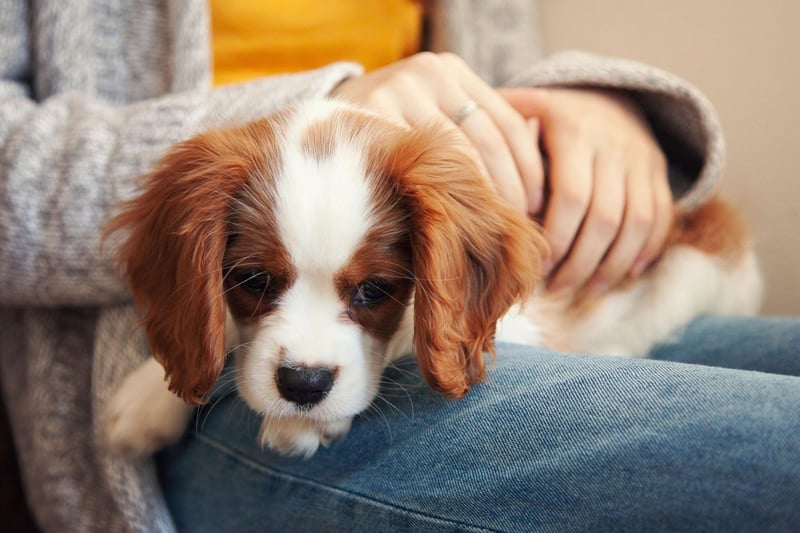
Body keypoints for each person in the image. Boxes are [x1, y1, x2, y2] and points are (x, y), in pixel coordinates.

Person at [0, 1, 797, 531]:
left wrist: (599, 107)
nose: (308, 355)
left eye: (369, 291)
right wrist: (331, 98)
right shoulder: (209, 223)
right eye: (256, 281)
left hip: (536, 291)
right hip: (188, 419)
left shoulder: (448, 243)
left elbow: (491, 99)